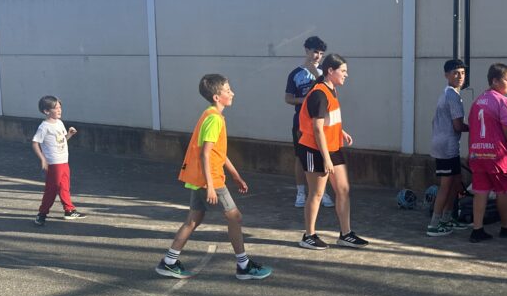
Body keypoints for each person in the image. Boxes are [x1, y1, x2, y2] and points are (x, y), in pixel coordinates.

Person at [155, 74, 272, 281]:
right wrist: (210, 186)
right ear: (217, 97)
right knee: (235, 217)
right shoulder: (214, 119)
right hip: (211, 179)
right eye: (228, 90)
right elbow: (205, 154)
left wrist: (236, 175)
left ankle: (169, 262)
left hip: (201, 177)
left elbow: (219, 153)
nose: (232, 93)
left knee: (193, 219)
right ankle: (244, 266)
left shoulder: (210, 115)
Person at [297, 54, 369, 250]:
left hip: (333, 146)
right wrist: (326, 159)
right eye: (343, 71)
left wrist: (340, 131)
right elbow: (317, 128)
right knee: (317, 193)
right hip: (315, 149)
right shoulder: (319, 94)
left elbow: (326, 121)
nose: (346, 75)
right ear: (331, 71)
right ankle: (308, 235)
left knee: (343, 189)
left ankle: (346, 234)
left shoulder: (331, 90)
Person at [467, 63, 507, 242]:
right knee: (504, 190)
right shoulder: (503, 101)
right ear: (495, 81)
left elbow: (473, 128)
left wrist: (471, 150)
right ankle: (506, 226)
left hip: (478, 153)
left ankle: (477, 229)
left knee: (480, 190)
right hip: (497, 155)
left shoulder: (478, 101)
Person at [285, 36, 334, 209]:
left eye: (321, 53)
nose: (317, 56)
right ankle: (300, 192)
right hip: (301, 123)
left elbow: (330, 94)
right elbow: (288, 98)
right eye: (315, 52)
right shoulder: (295, 74)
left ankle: (323, 192)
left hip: (321, 122)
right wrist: (305, 100)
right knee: (300, 157)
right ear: (306, 50)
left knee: (322, 156)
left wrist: (317, 75)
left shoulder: (325, 73)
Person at [427, 59, 471, 236]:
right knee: (446, 186)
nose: (460, 76)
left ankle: (447, 219)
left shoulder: (450, 93)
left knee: (455, 184)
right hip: (446, 148)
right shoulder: (451, 95)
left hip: (448, 146)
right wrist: (476, 127)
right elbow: (458, 126)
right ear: (446, 75)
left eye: (462, 73)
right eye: (455, 73)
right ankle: (434, 224)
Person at [31, 95, 85, 226]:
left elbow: (60, 141)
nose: (59, 110)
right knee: (52, 189)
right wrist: (43, 159)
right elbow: (34, 142)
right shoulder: (44, 127)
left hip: (64, 160)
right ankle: (42, 214)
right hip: (54, 163)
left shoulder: (59, 123)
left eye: (60, 107)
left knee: (64, 187)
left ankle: (69, 210)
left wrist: (69, 135)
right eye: (56, 108)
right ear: (46, 111)